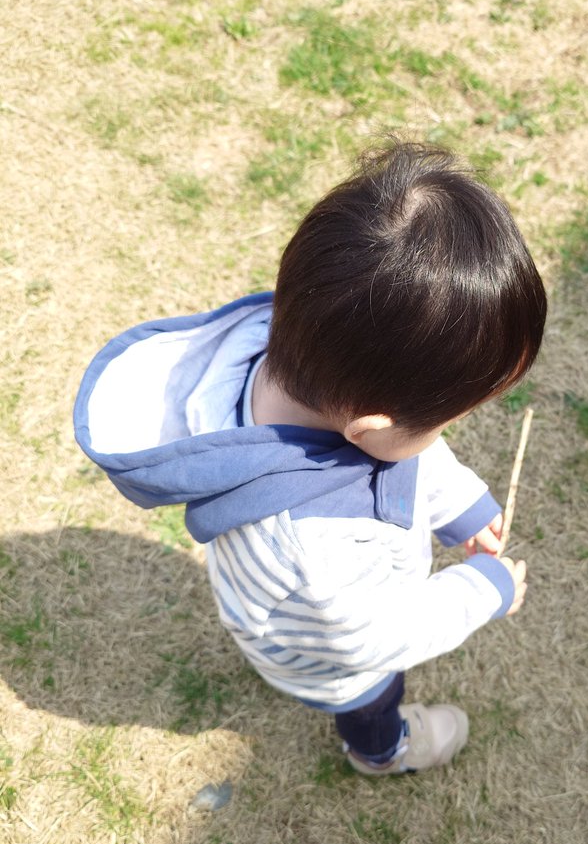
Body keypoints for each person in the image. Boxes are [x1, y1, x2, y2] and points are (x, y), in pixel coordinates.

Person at [74, 142, 547, 775]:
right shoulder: (319, 549)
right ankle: (382, 750)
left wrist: (459, 505)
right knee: (373, 695)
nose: (447, 432)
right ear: (370, 429)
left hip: (289, 598)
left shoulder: (303, 356)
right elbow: (373, 638)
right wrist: (477, 593)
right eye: (447, 421)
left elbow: (411, 460)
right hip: (323, 652)